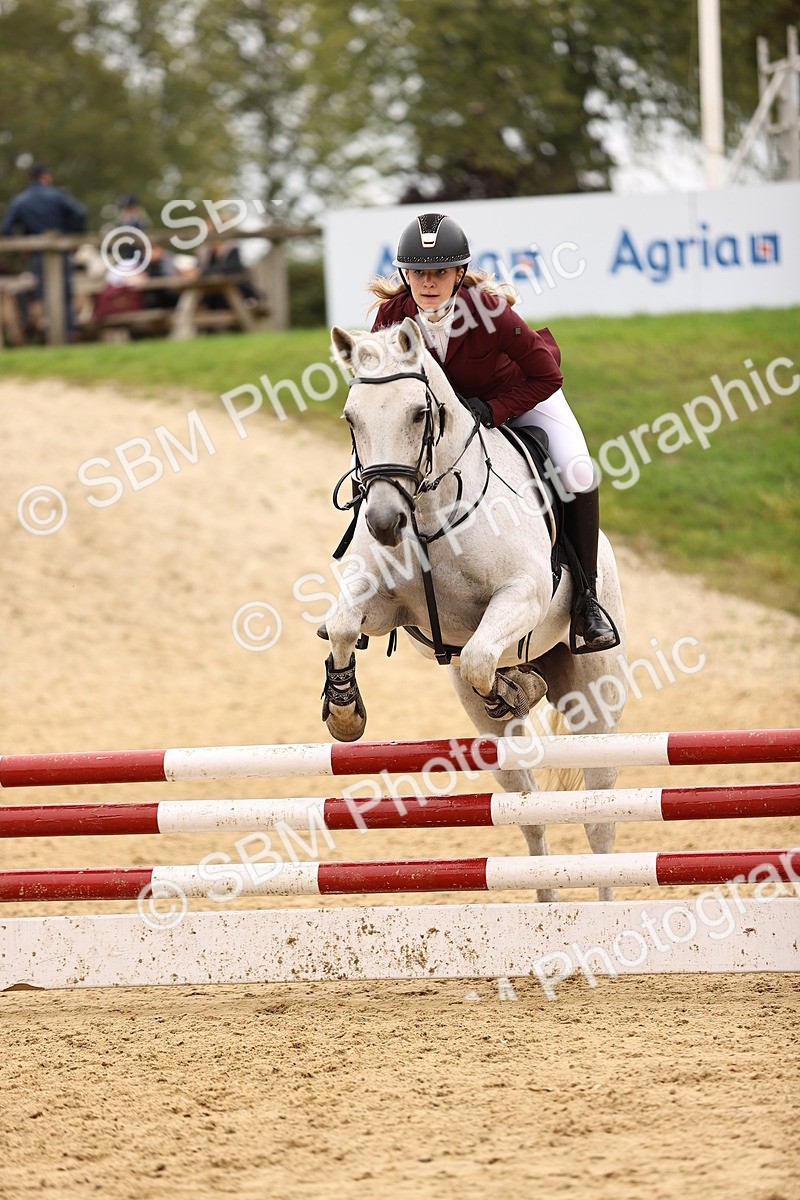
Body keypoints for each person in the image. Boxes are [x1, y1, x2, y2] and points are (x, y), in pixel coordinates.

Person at [368, 212, 617, 653]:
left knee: (577, 470)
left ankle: (588, 602)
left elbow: (547, 377)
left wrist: (494, 410)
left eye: (440, 272)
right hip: (453, 422)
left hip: (521, 398)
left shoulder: (488, 312)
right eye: (418, 273)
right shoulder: (392, 317)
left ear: (459, 273)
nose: (429, 283)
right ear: (405, 274)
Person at [0, 164, 87, 336]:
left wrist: (23, 247)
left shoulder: (20, 200)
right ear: (45, 177)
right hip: (62, 250)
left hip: (36, 254)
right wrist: (71, 236)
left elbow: (6, 229)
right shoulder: (57, 195)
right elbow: (80, 213)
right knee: (65, 292)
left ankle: (52, 334)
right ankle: (68, 332)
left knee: (44, 294)